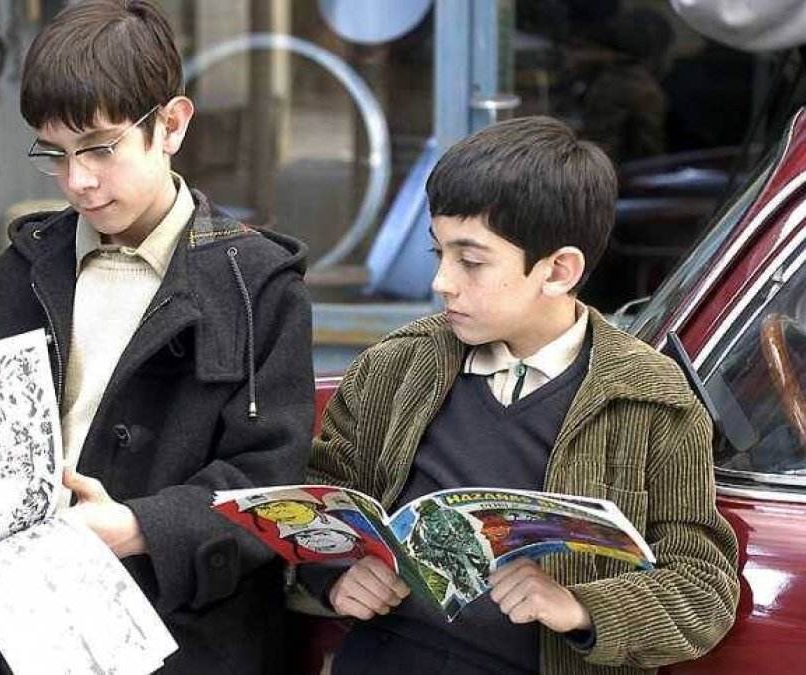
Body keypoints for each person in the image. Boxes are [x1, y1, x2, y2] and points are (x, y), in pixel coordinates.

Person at [0, 1, 315, 672]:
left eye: (100, 148)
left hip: (175, 633)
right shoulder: (18, 275)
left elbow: (268, 486)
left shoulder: (258, 287)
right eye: (56, 154)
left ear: (172, 124)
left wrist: (137, 528)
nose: (78, 181)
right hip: (3, 627)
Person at [303, 116, 739, 675]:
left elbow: (702, 587)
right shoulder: (395, 367)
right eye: (437, 253)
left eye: (472, 261)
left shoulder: (649, 399)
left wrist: (581, 607)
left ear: (558, 270)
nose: (442, 281)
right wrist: (335, 576)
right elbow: (326, 508)